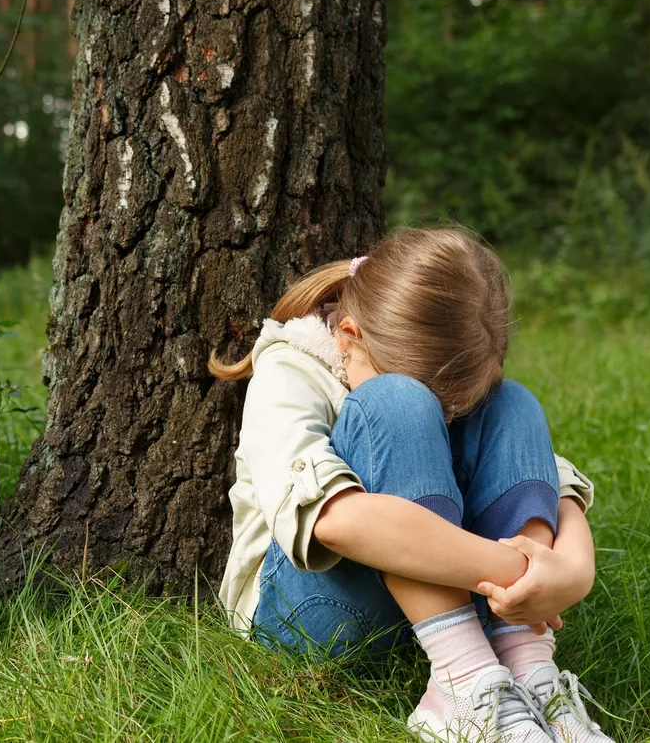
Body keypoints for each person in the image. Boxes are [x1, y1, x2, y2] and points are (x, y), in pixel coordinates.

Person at [214, 228, 614, 743]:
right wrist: (519, 572)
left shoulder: (409, 353)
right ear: (347, 337)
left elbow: (545, 480)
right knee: (396, 404)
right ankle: (463, 687)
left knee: (513, 404)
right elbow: (336, 522)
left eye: (451, 411)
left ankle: (527, 670)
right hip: (305, 614)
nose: (443, 421)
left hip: (438, 600)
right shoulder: (289, 370)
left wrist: (573, 573)